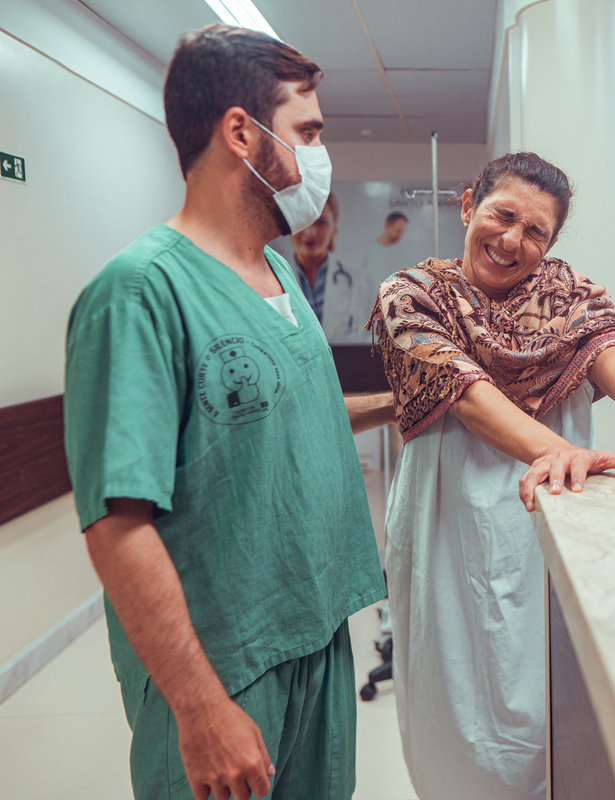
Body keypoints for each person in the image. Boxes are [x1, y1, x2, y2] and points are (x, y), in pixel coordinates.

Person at [63, 25, 394, 800]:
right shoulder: (140, 293)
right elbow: (117, 524)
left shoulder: (276, 272)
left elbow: (287, 413)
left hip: (316, 632)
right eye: (307, 132)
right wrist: (199, 706)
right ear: (241, 132)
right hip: (226, 661)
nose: (319, 155)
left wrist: (407, 403)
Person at [372, 152, 615, 800]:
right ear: (469, 204)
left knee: (549, 692)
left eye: (536, 233)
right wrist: (561, 450)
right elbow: (466, 393)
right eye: (503, 215)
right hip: (446, 527)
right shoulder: (411, 294)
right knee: (455, 693)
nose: (512, 241)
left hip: (553, 518)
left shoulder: (572, 296)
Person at [289, 190, 376, 343]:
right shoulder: (269, 279)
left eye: (320, 222)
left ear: (334, 226)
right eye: (302, 221)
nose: (310, 232)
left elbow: (374, 342)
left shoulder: (362, 283)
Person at [360, 210, 408, 283]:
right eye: (398, 231)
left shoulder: (404, 253)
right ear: (388, 225)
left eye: (402, 232)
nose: (400, 236)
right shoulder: (368, 249)